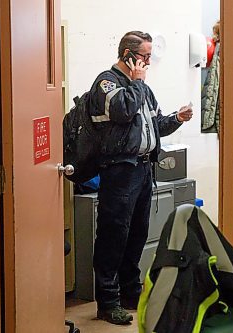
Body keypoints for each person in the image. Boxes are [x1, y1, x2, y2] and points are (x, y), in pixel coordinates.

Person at [89, 30, 193, 325]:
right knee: (114, 235)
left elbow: (154, 124)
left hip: (143, 169)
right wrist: (137, 82)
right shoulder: (107, 83)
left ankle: (131, 293)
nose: (148, 62)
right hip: (119, 171)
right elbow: (122, 111)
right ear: (127, 55)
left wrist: (176, 118)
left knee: (136, 234)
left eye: (149, 57)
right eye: (144, 56)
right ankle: (108, 302)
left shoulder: (142, 88)